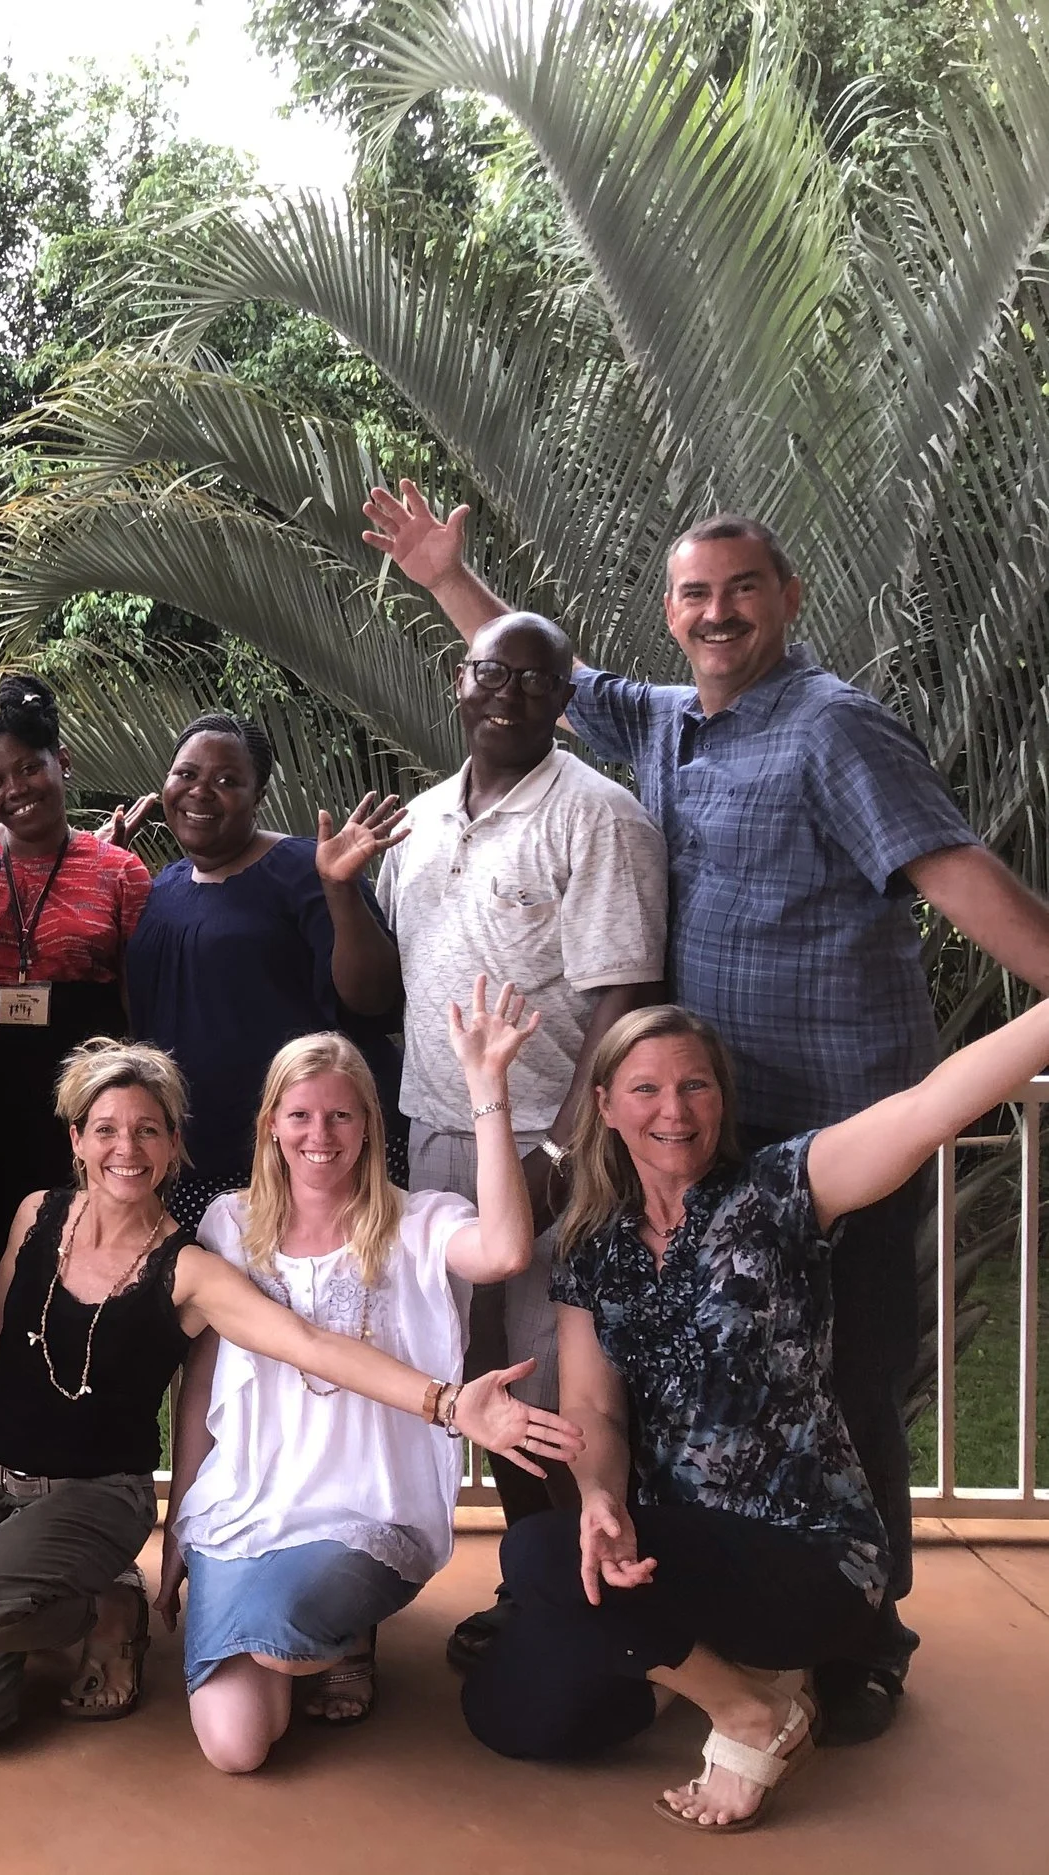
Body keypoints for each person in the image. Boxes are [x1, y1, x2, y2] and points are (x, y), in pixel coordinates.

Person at [361, 480, 1049, 1737]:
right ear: (672, 616)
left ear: (787, 600)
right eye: (695, 595)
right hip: (703, 1126)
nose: (717, 612)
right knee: (700, 1371)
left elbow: (950, 868)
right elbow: (537, 675)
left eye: (741, 590)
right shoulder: (670, 723)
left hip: (842, 1122)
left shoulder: (834, 729)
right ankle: (668, 1594)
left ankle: (866, 1633)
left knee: (844, 1373)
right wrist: (447, 581)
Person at [462, 998, 1049, 1831]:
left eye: (696, 1085)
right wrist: (599, 1498)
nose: (674, 1109)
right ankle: (706, 1668)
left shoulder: (783, 1189)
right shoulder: (594, 1249)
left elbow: (929, 1107)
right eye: (647, 1088)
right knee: (508, 1713)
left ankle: (750, 1709)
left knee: (532, 1553)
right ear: (604, 1106)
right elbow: (594, 1408)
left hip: (811, 1553)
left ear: (722, 1098)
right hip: (682, 1554)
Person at [0, 1028, 580, 1755]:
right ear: (76, 1138)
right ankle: (81, 1606)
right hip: (86, 1492)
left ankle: (263, 1623)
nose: (126, 1149)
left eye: (147, 1131)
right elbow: (5, 1340)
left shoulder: (218, 1255)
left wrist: (448, 1403)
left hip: (253, 1499)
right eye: (105, 1129)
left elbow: (315, 1342)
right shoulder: (73, 1215)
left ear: (174, 1145)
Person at [370, 609, 668, 1664]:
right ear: (457, 682)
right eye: (489, 671)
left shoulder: (599, 816)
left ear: (562, 700)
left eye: (534, 678)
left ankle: (585, 1608)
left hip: (548, 1145)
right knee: (487, 1379)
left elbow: (623, 995)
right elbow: (389, 977)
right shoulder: (418, 820)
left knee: (555, 1386)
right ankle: (532, 1589)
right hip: (437, 1138)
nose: (506, 691)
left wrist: (559, 1156)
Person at [161, 1006, 548, 1774]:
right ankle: (311, 1655)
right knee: (237, 1746)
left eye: (341, 1114)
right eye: (300, 1114)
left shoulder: (417, 1224)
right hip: (246, 1506)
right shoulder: (228, 1225)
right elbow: (203, 1376)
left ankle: (340, 1634)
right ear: (271, 1122)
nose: (321, 1134)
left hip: (364, 1509)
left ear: (370, 1124)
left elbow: (505, 1249)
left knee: (290, 1613)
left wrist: (487, 1086)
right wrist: (178, 1520)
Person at [123, 712, 407, 1226]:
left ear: (258, 795)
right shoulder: (164, 886)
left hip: (304, 1160)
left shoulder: (306, 869)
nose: (200, 791)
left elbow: (375, 1003)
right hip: (194, 1164)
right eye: (186, 774)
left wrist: (340, 889)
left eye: (227, 780)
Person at [0, 675, 154, 1269]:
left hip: (86, 1092)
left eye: (29, 769)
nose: (15, 790)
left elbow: (138, 1005)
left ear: (63, 763)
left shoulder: (119, 871)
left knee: (82, 1249)